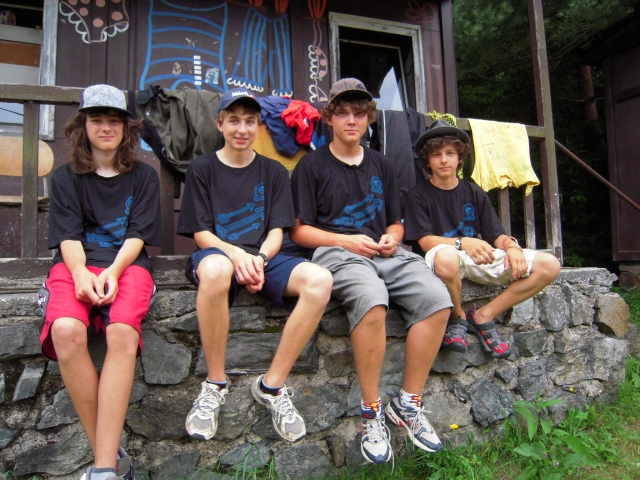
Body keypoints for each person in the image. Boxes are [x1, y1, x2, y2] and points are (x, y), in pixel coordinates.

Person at [290, 79, 452, 463]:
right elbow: (298, 231)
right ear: (329, 118)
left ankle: (408, 403)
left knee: (437, 297)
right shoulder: (311, 166)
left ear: (369, 119)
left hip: (383, 253)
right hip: (336, 253)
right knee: (373, 298)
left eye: (359, 113)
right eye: (343, 113)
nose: (352, 120)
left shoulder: (382, 164)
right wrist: (345, 241)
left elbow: (396, 221)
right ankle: (371, 411)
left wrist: (394, 237)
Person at [177, 87, 332, 444]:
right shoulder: (202, 168)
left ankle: (272, 386)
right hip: (217, 254)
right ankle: (215, 383)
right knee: (216, 270)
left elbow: (277, 231)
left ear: (259, 125)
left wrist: (259, 259)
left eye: (250, 121)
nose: (242, 129)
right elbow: (201, 233)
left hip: (266, 256)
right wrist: (236, 255)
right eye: (234, 121)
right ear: (220, 124)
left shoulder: (274, 171)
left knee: (320, 280)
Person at [38, 84, 161, 480]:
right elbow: (68, 236)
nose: (106, 127)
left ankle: (104, 469)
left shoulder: (144, 177)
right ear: (83, 125)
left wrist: (112, 271)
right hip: (75, 264)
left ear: (126, 128)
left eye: (114, 120)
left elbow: (138, 235)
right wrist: (80, 274)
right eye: (97, 120)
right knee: (66, 330)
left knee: (121, 332)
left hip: (127, 265)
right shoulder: (65, 177)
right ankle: (110, 458)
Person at [403, 119, 561, 358]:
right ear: (427, 160)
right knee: (446, 257)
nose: (444, 160)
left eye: (450, 153)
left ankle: (483, 316)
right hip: (442, 260)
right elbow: (424, 241)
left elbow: (494, 233)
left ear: (459, 157)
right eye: (436, 155)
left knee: (550, 265)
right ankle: (457, 316)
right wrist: (462, 242)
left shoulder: (473, 191)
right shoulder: (417, 195)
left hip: (476, 256)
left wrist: (512, 247)